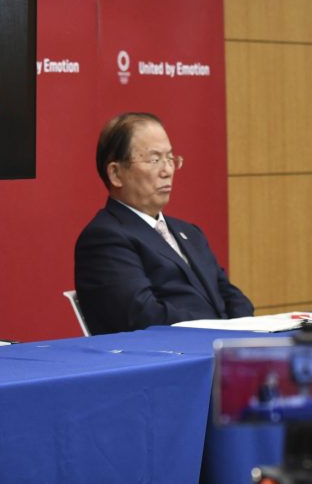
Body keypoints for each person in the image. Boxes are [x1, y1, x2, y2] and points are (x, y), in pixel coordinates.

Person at [74, 112, 253, 335]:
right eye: (154, 160)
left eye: (170, 159)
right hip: (167, 359)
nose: (167, 170)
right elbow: (145, 317)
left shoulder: (189, 232)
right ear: (116, 174)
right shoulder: (105, 238)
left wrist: (244, 334)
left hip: (218, 351)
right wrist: (220, 330)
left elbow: (231, 297)